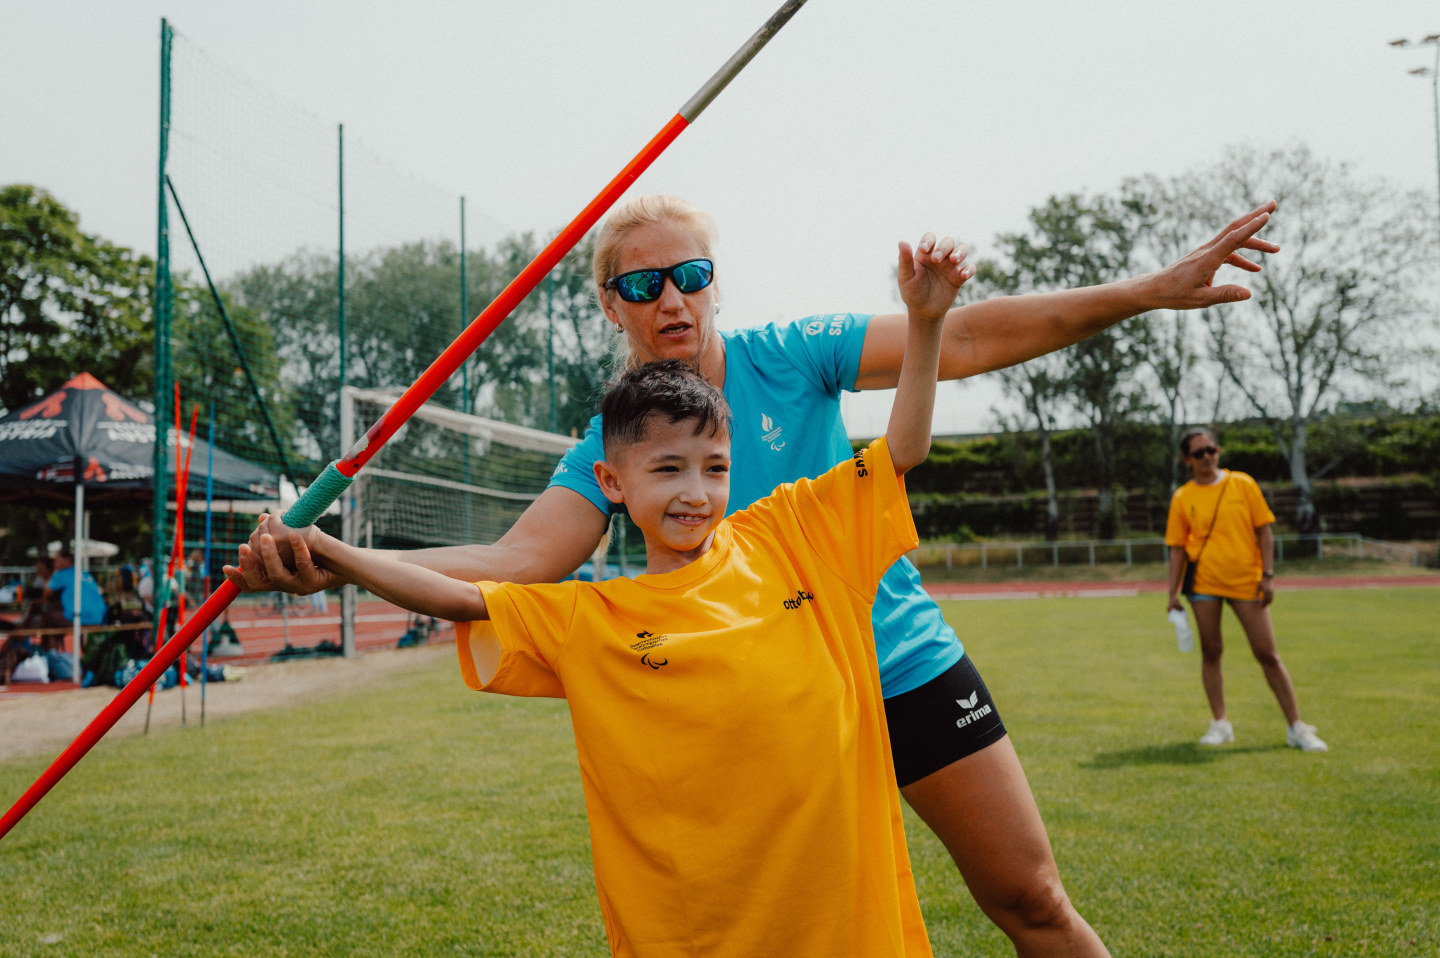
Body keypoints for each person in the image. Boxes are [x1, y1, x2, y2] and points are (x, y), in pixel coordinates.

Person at [229, 194, 1280, 957]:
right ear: (610, 305)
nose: (672, 297)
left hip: (901, 665)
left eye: (690, 275)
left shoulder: (794, 353)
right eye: (641, 283)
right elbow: (516, 565)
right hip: (765, 711)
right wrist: (338, 560)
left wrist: (1147, 291)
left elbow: (959, 340)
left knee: (1033, 900)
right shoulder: (613, 442)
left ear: (714, 282)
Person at [241, 236, 962, 955]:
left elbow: (902, 450)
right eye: (668, 469)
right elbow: (467, 598)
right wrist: (338, 555)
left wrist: (925, 321)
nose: (695, 492)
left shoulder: (790, 536)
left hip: (847, 926)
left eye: (715, 468)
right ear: (612, 483)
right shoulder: (595, 617)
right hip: (696, 935)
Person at [1165, 429, 1327, 752]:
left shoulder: (1242, 484)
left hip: (1246, 581)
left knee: (1267, 654)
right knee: (1211, 652)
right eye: (1199, 453)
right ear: (1187, 460)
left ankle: (1297, 727)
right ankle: (1220, 723)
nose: (1207, 456)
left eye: (1211, 449)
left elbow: (1264, 532)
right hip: (1204, 584)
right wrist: (1172, 593)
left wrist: (1268, 576)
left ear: (1218, 451)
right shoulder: (1183, 497)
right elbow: (1177, 548)